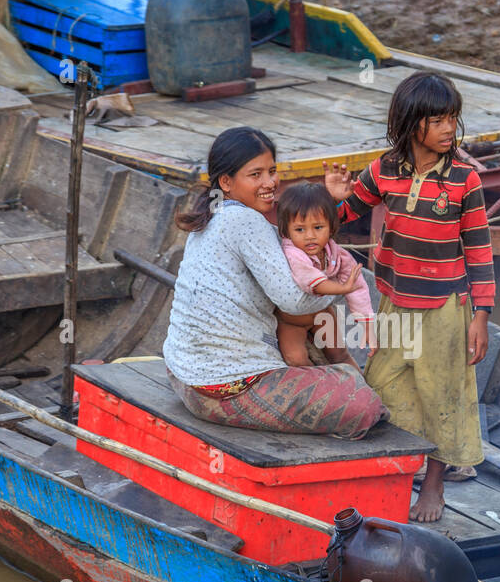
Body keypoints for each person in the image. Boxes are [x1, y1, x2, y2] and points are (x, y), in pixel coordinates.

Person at [324, 71, 495, 522]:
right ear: (410, 122)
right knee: (384, 386)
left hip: (445, 308)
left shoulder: (464, 180)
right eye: (437, 120)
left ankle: (433, 486)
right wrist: (335, 200)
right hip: (395, 302)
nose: (447, 130)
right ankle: (396, 472)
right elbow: (340, 217)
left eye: (452, 120)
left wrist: (482, 315)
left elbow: (479, 250)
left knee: (442, 395)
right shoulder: (384, 169)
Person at [162, 127, 389, 438]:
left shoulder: (213, 214)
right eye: (255, 175)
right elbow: (294, 300)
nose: (270, 183)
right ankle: (347, 372)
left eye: (272, 171)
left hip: (183, 374)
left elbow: (305, 241)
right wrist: (341, 290)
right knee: (363, 404)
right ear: (226, 182)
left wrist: (331, 204)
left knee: (312, 308)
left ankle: (341, 367)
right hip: (224, 388)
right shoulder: (245, 221)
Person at [274, 182, 375, 368]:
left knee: (340, 355)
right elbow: (311, 281)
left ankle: (361, 387)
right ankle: (318, 391)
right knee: (296, 360)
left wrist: (366, 322)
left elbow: (356, 285)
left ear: (331, 226)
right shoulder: (292, 252)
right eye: (299, 230)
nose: (310, 236)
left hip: (321, 312)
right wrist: (341, 289)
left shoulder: (336, 253)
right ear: (286, 231)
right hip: (291, 320)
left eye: (318, 227)